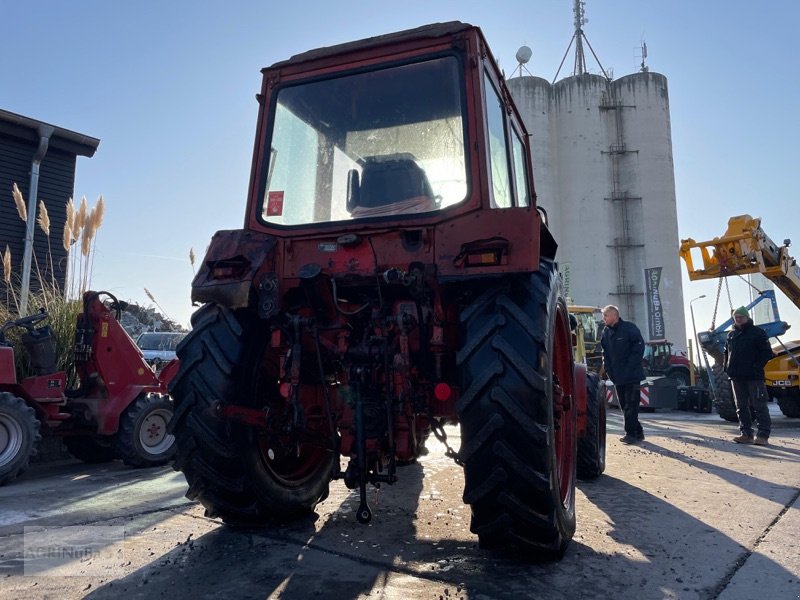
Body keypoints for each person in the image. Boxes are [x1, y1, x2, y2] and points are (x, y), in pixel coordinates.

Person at [724, 306, 774, 445]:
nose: (738, 319)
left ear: (747, 317)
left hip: (754, 377)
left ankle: (763, 436)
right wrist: (727, 368)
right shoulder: (731, 335)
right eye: (736, 317)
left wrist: (756, 367)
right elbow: (727, 353)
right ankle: (746, 434)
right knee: (740, 406)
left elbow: (766, 353)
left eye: (741, 317)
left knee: (759, 405)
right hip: (736, 377)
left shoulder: (757, 333)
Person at [599, 305, 646, 444]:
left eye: (606, 315)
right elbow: (605, 353)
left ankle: (630, 434)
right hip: (617, 377)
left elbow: (639, 347)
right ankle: (638, 431)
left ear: (615, 316)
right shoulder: (606, 333)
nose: (604, 318)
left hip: (632, 376)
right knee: (625, 405)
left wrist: (629, 367)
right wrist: (608, 370)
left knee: (631, 405)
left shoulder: (629, 328)